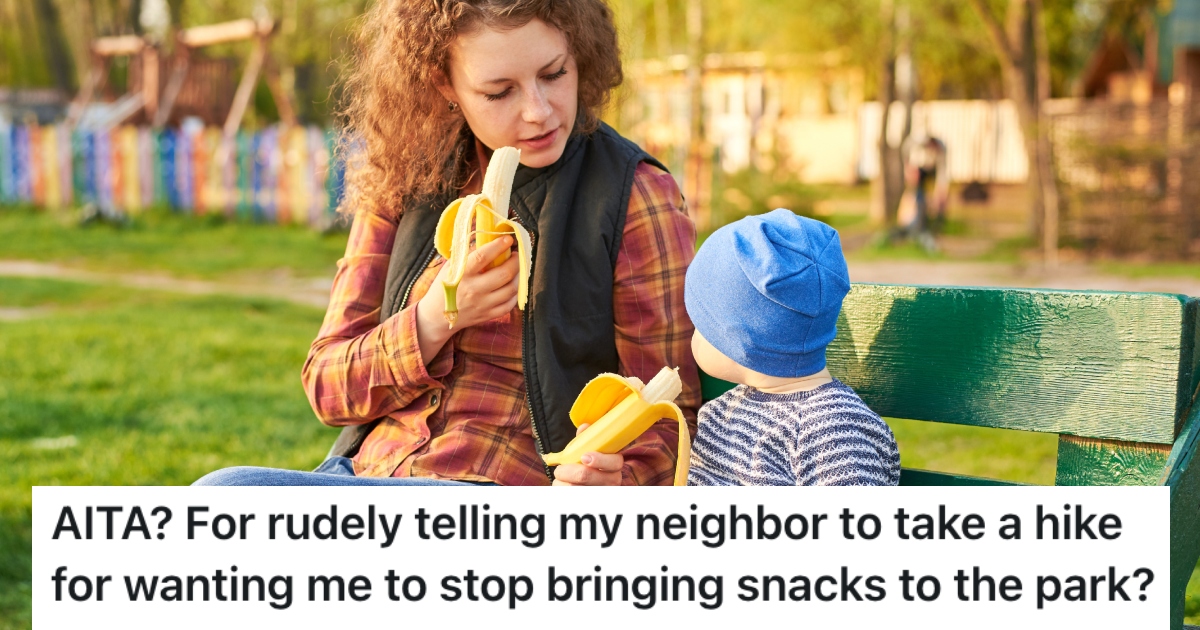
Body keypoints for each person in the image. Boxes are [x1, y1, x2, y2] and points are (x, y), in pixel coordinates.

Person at [194, 0, 700, 487]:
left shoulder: (636, 196)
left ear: (579, 52)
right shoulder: (403, 173)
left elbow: (672, 416)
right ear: (445, 83)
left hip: (499, 495)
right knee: (224, 494)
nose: (538, 111)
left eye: (553, 74)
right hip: (363, 478)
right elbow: (328, 387)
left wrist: (615, 481)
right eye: (499, 92)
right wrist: (435, 319)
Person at [683, 210, 900, 486]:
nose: (693, 334)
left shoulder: (836, 437)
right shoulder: (720, 414)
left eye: (700, 323)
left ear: (740, 341)